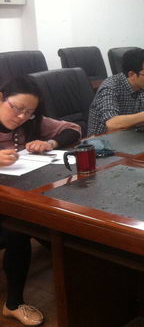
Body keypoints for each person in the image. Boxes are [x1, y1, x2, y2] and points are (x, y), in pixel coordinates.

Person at [0, 76, 82, 326]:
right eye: (17, 108)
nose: (22, 117)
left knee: (51, 218)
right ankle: (13, 304)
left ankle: (82, 281)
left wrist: (50, 142)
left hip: (17, 194)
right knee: (18, 228)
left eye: (29, 112)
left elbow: (74, 128)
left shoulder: (32, 122)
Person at [87, 48, 144, 136]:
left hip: (132, 135)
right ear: (132, 74)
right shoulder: (110, 87)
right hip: (103, 141)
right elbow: (112, 124)